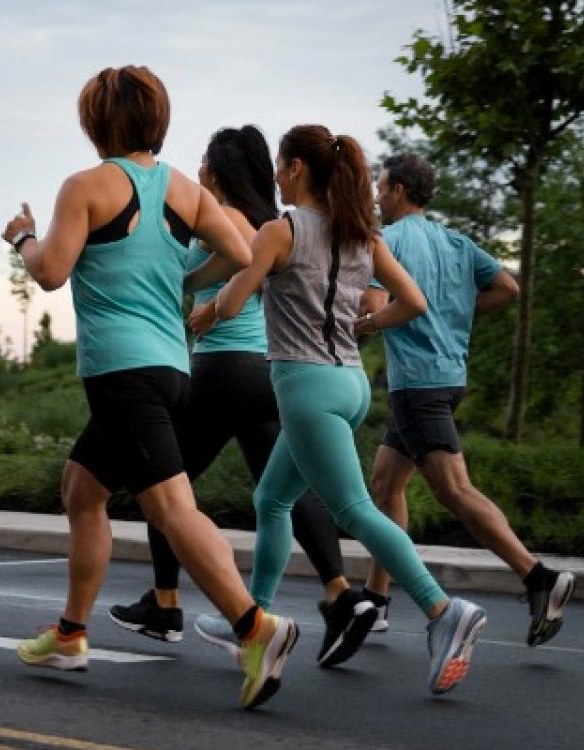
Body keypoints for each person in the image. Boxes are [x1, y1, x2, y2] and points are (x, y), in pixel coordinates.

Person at [0, 66, 298, 709]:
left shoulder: (85, 186)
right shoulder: (185, 191)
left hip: (121, 373)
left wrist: (22, 237)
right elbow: (244, 253)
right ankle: (73, 633)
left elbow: (51, 271)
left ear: (95, 121)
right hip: (170, 367)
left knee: (170, 507)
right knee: (83, 489)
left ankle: (256, 628)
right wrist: (184, 283)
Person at [198, 124, 487, 696]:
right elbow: (414, 302)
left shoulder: (281, 231)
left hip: (305, 386)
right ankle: (252, 618)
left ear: (298, 168)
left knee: (354, 510)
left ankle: (443, 611)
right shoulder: (362, 233)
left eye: (281, 165)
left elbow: (232, 302)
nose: (276, 175)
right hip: (351, 383)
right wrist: (365, 325)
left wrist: (198, 314)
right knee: (272, 497)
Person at [107, 125, 376, 669]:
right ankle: (340, 593)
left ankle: (165, 606)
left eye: (205, 161)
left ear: (219, 171)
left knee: (163, 482)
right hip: (265, 374)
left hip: (224, 369)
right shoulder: (267, 222)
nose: (199, 168)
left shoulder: (227, 220)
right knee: (281, 491)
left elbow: (194, 272)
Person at [360, 152, 575, 646]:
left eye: (381, 187)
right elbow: (507, 286)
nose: (375, 196)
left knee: (454, 490)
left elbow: (372, 307)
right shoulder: (455, 241)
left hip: (417, 383)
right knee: (385, 482)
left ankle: (538, 576)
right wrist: (456, 315)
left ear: (398, 191)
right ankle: (376, 598)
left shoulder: (387, 242)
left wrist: (360, 322)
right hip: (448, 377)